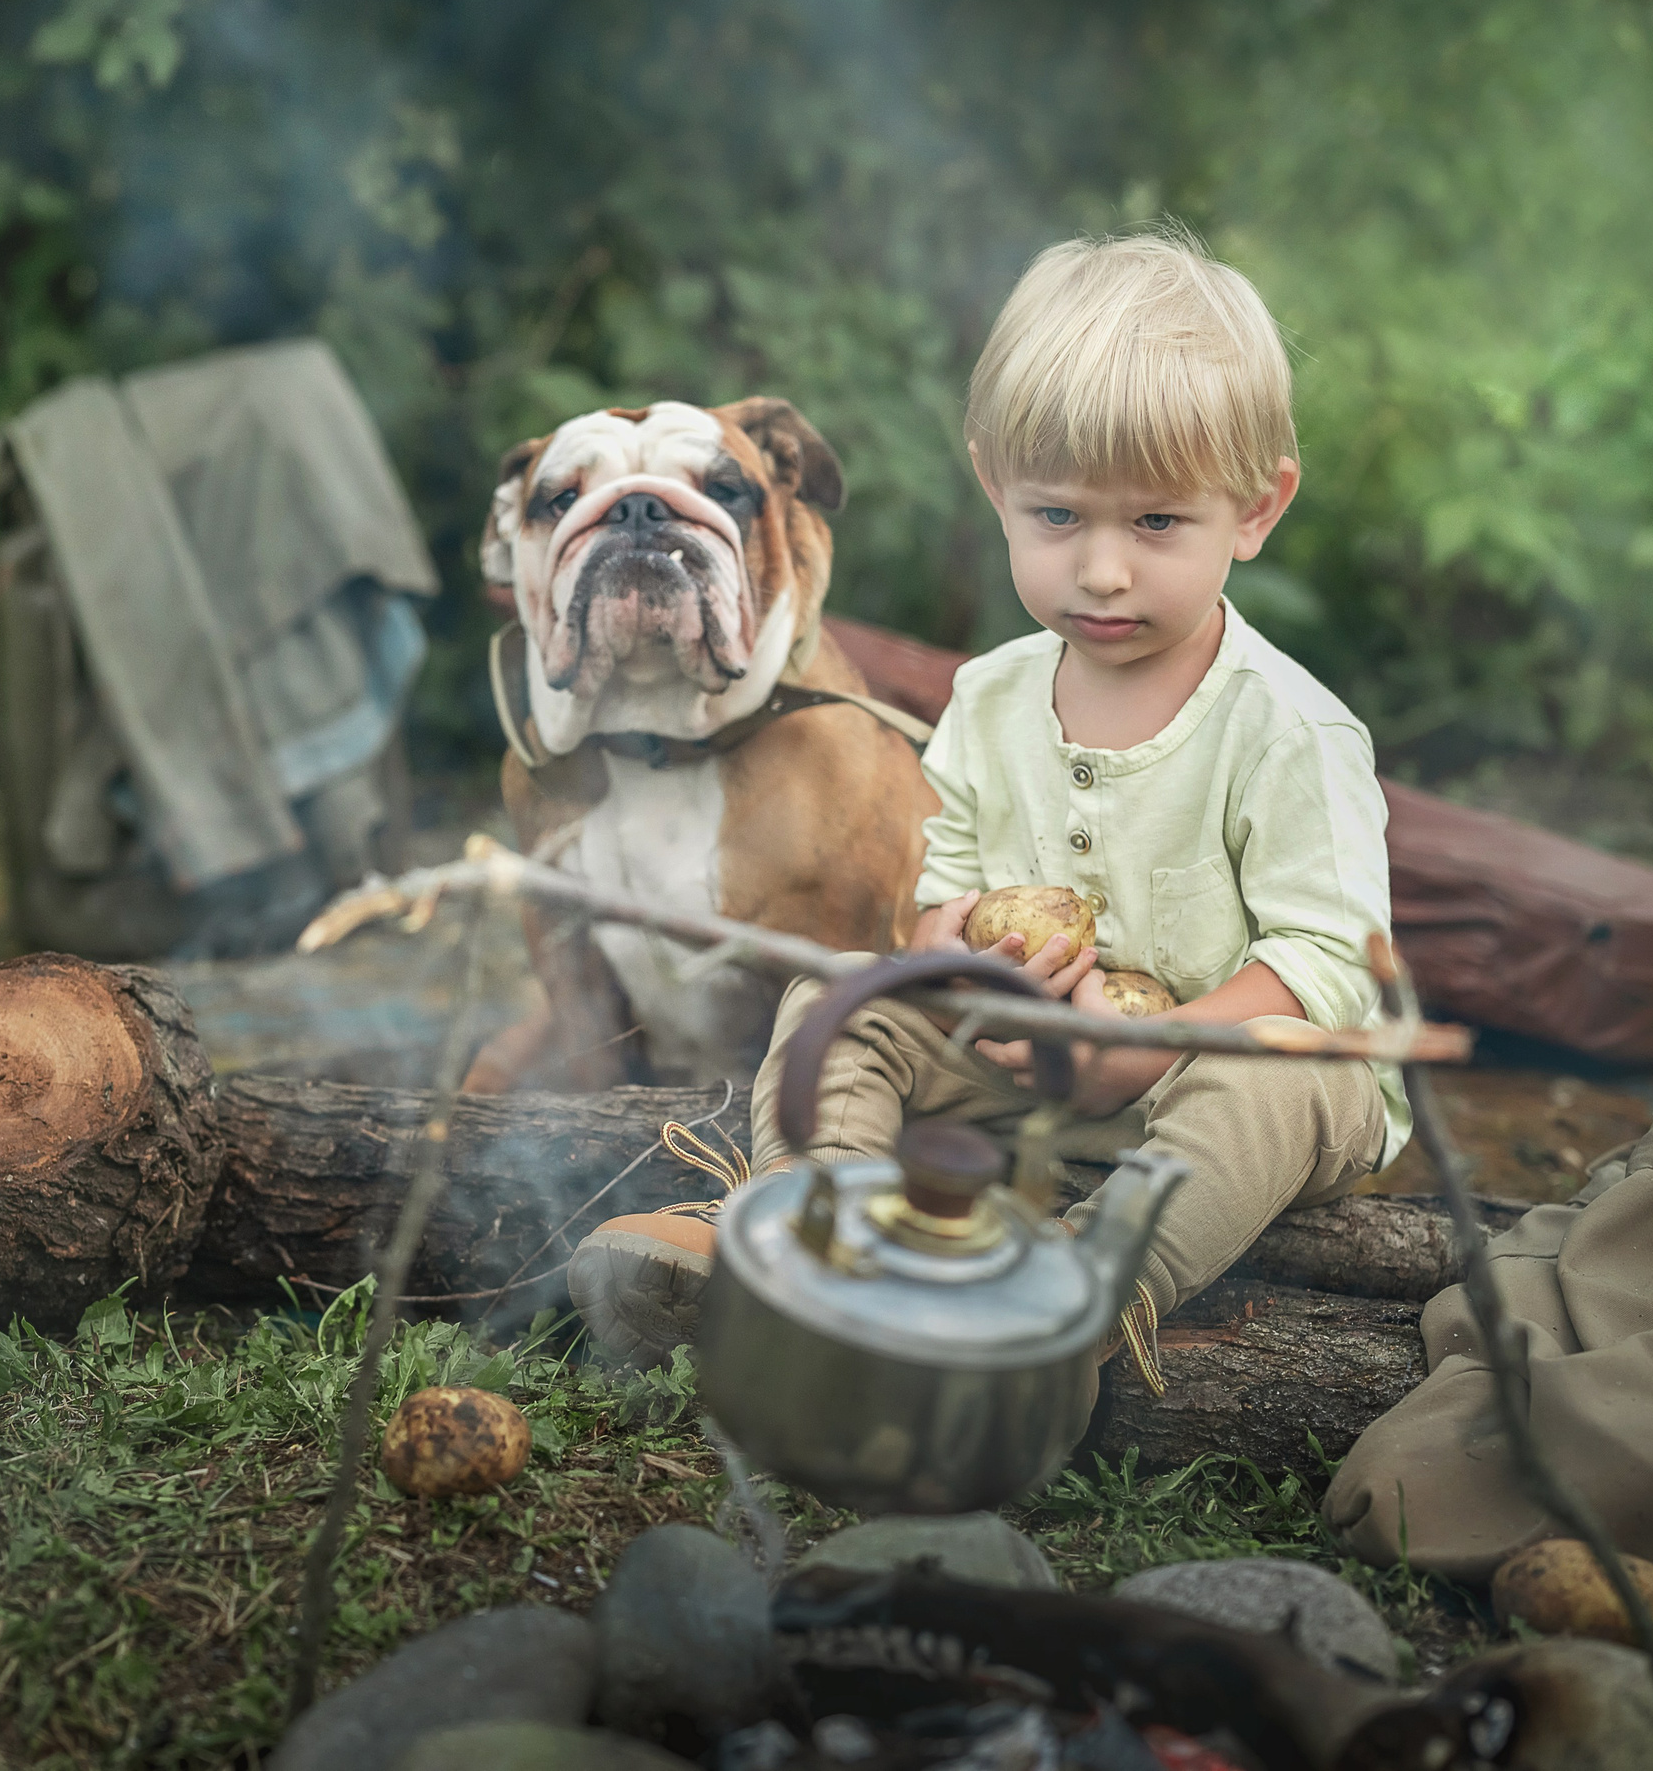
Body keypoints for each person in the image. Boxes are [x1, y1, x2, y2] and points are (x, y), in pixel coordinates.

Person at [567, 224, 1407, 1372]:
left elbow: (1332, 963)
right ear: (995, 486)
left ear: (1256, 510)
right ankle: (817, 1231)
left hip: (1221, 1073)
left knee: (1278, 1071)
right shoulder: (991, 696)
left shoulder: (1285, 729)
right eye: (1058, 516)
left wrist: (1145, 1042)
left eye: (1157, 522)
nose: (1102, 569)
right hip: (1029, 1066)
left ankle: (1076, 1298)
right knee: (838, 987)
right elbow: (941, 898)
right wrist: (954, 947)